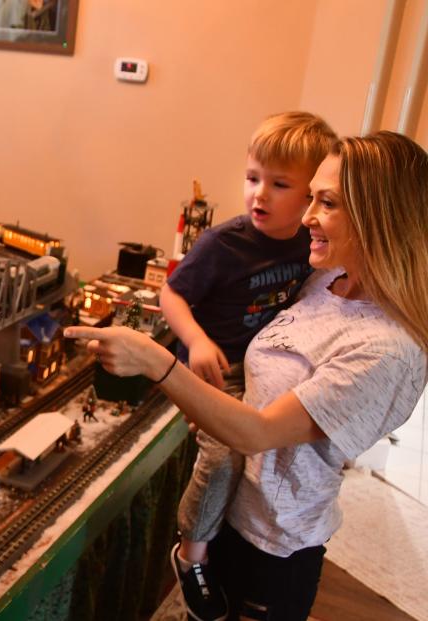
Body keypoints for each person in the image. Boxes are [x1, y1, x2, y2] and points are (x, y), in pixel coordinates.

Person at [66, 130, 428, 621]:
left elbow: (258, 433)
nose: (306, 218)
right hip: (234, 516)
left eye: (327, 202)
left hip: (273, 545)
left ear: (379, 216)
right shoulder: (326, 281)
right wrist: (217, 410)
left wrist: (155, 361)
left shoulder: (385, 350)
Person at [159, 111, 335, 621]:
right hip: (218, 367)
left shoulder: (310, 244)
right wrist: (195, 341)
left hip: (263, 363)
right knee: (223, 457)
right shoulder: (224, 242)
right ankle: (190, 555)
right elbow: (171, 293)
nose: (259, 194)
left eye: (279, 184)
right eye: (252, 178)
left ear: (310, 197)